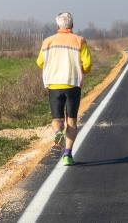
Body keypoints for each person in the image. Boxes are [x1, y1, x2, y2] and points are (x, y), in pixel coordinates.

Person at [36, 12, 92, 166]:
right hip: (72, 85)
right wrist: (81, 70)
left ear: (57, 26)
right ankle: (67, 154)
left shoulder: (47, 42)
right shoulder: (79, 41)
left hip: (54, 85)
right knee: (72, 121)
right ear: (72, 26)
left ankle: (58, 133)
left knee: (57, 119)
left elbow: (40, 63)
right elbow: (87, 64)